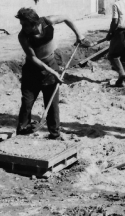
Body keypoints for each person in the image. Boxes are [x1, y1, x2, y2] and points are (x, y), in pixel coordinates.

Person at [15, 8, 88, 139]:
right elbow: (33, 58)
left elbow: (66, 16)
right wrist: (53, 72)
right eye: (21, 24)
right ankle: (22, 132)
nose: (23, 28)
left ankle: (54, 134)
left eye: (25, 25)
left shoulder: (47, 21)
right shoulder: (23, 36)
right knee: (27, 103)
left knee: (52, 103)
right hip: (32, 71)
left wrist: (79, 35)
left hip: (51, 64)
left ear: (35, 23)